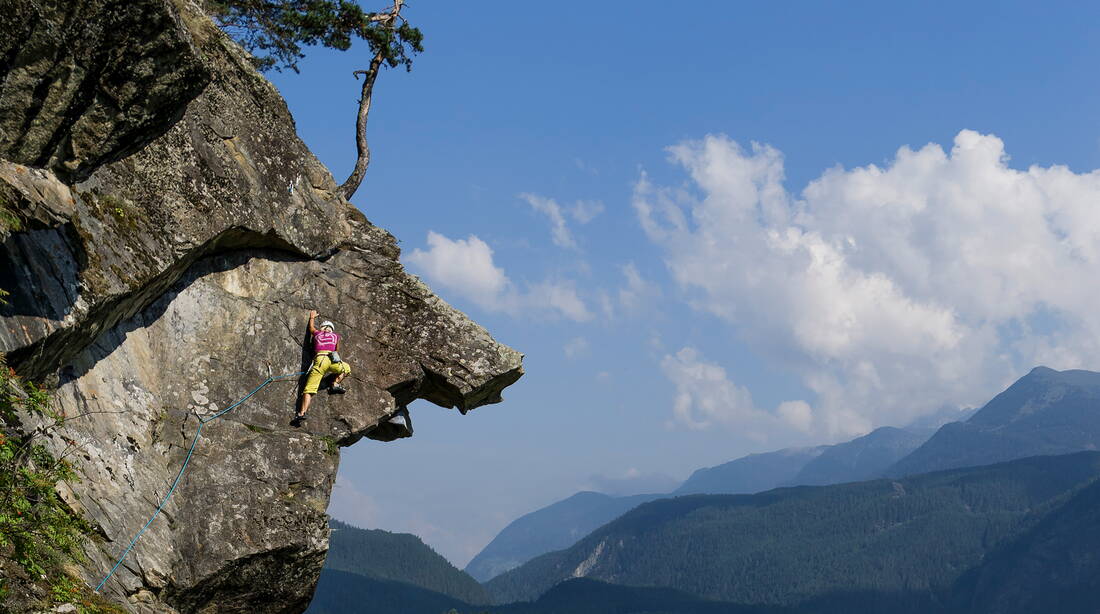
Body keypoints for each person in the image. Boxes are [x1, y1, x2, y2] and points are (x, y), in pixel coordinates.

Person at [293, 310, 350, 425]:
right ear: (331, 329)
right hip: (333, 360)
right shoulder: (335, 336)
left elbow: (311, 329)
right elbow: (336, 350)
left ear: (323, 327)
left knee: (309, 389)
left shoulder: (318, 333)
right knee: (346, 368)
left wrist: (312, 317)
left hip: (320, 359)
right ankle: (335, 384)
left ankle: (302, 413)